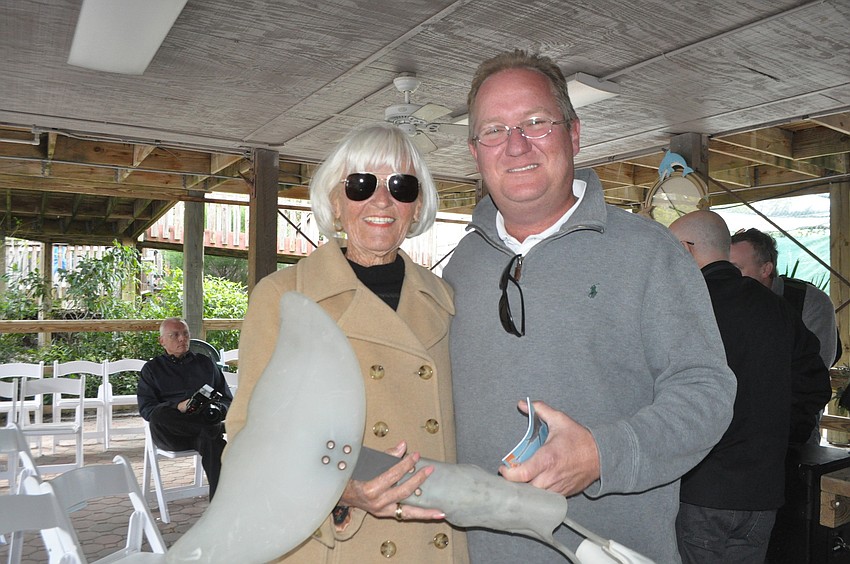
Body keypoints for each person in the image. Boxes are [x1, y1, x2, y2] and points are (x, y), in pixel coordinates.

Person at [442, 49, 737, 563]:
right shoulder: (462, 265)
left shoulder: (648, 252)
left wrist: (603, 454)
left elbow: (707, 392)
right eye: (493, 130)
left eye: (535, 122)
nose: (515, 145)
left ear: (574, 134)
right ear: (474, 152)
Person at [226, 123, 468, 563]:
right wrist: (342, 494)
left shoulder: (444, 300)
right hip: (341, 544)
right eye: (360, 185)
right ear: (335, 203)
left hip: (432, 540)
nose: (381, 200)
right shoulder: (284, 297)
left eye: (401, 185)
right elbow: (247, 440)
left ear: (416, 208)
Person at [669, 210, 831, 563]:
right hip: (763, 490)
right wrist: (776, 440)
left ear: (684, 248)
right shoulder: (779, 308)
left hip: (700, 490)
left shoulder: (683, 309)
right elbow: (816, 385)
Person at [137, 317, 233, 499]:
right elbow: (147, 409)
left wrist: (217, 408)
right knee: (160, 415)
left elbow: (227, 400)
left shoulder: (205, 363)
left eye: (185, 334)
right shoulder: (152, 369)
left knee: (212, 441)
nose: (182, 339)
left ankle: (220, 506)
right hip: (173, 433)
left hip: (203, 430)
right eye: (175, 335)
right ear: (162, 341)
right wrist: (177, 407)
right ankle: (214, 429)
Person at [730, 227, 839, 369]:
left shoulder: (808, 300)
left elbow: (817, 366)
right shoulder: (725, 301)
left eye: (735, 269)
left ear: (765, 269)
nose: (728, 275)